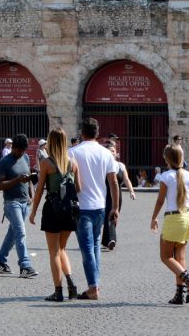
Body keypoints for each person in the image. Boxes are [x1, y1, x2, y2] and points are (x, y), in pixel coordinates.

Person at [69, 119, 119, 300]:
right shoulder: (106, 153)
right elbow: (113, 182)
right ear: (97, 133)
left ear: (82, 132)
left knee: (87, 248)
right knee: (96, 245)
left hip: (82, 206)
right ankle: (95, 283)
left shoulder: (72, 152)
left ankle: (93, 287)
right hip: (100, 206)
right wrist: (115, 207)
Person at [29, 127, 81, 302]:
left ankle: (58, 291)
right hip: (70, 210)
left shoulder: (47, 163)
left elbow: (39, 190)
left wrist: (33, 212)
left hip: (52, 208)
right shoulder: (73, 163)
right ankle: (71, 284)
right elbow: (79, 188)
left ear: (50, 142)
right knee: (62, 249)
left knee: (54, 252)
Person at [151, 144, 189, 305]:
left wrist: (153, 218)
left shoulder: (166, 177)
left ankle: (188, 281)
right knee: (180, 256)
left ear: (167, 159)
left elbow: (160, 200)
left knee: (165, 256)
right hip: (187, 217)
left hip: (173, 218)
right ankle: (179, 295)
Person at [0, 133, 38, 279]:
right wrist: (17, 179)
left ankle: (0, 260)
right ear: (13, 147)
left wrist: (31, 195)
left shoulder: (25, 157)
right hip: (11, 203)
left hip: (25, 202)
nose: (21, 154)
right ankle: (25, 265)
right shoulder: (4, 162)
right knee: (20, 232)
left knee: (12, 234)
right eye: (19, 151)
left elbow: (30, 178)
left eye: (24, 151)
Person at [101, 141, 136, 251]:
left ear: (117, 154)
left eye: (113, 151)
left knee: (114, 216)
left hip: (118, 195)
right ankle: (112, 239)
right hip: (105, 194)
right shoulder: (103, 166)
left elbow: (126, 180)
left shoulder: (121, 166)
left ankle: (106, 240)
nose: (111, 153)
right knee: (108, 215)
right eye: (109, 151)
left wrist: (131, 191)